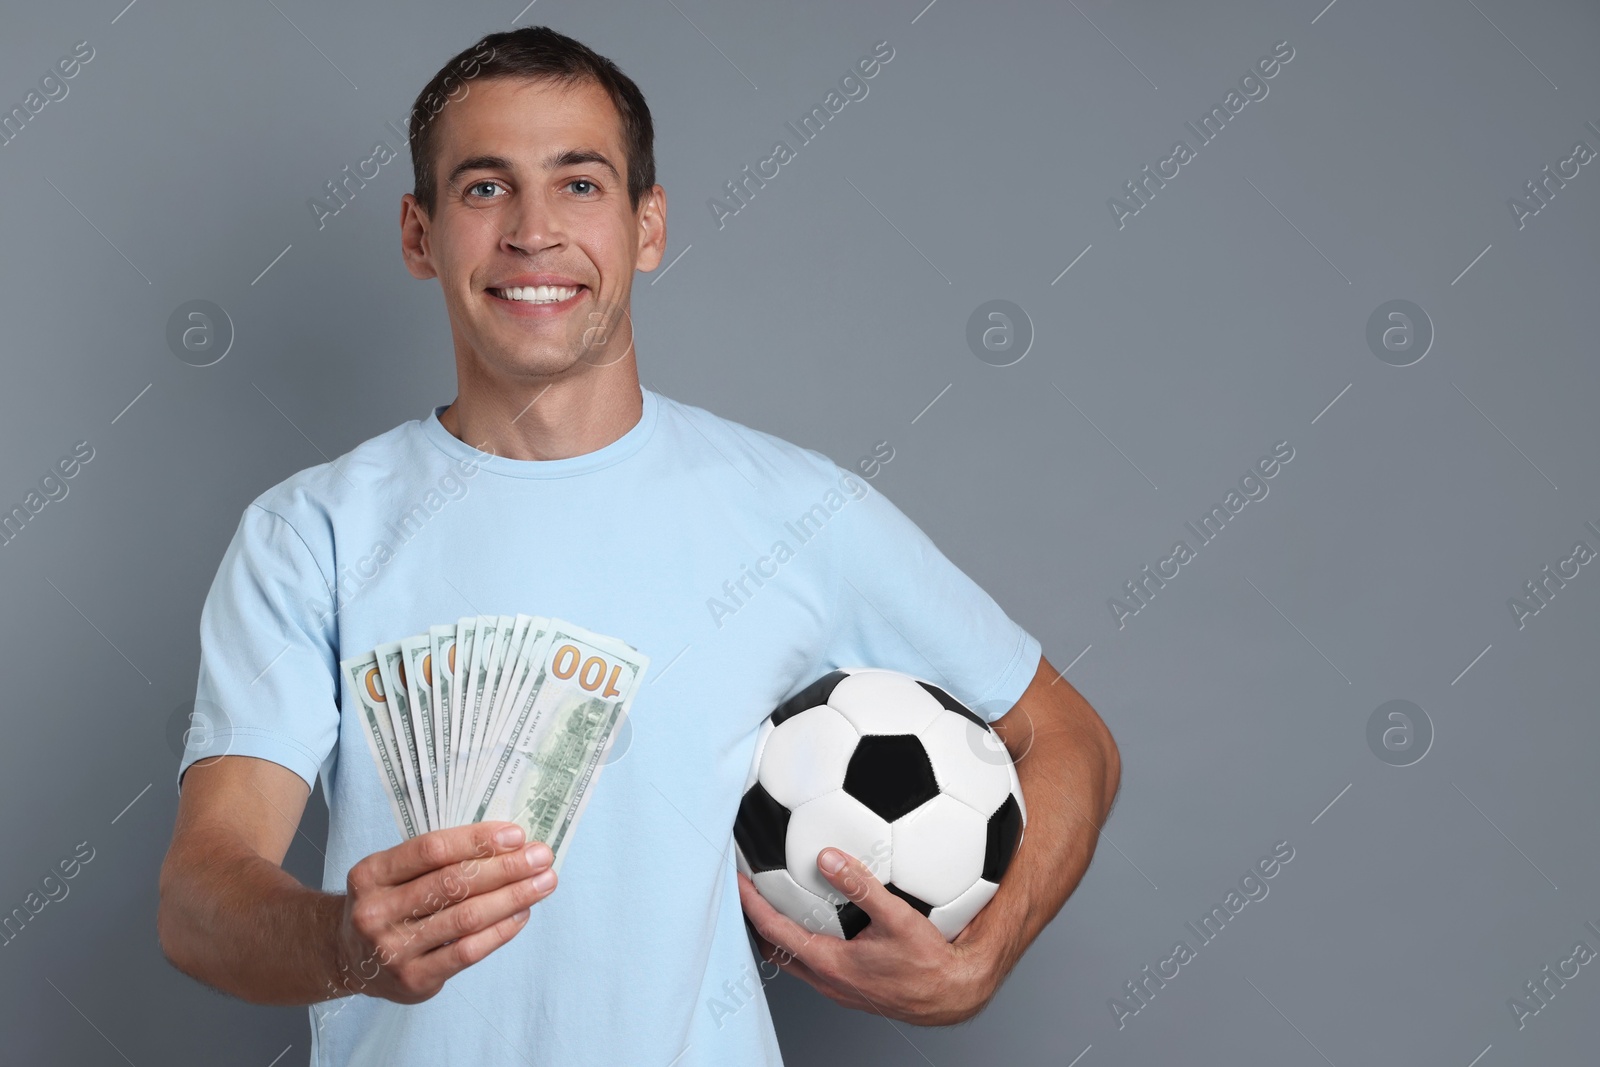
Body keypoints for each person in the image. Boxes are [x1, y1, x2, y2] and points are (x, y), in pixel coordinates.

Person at [156, 25, 1120, 1067]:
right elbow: (202, 893)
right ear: (417, 234)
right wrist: (343, 939)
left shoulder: (797, 511)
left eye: (579, 185)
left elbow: (1071, 738)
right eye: (484, 188)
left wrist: (981, 956)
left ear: (647, 225)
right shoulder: (310, 532)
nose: (533, 232)